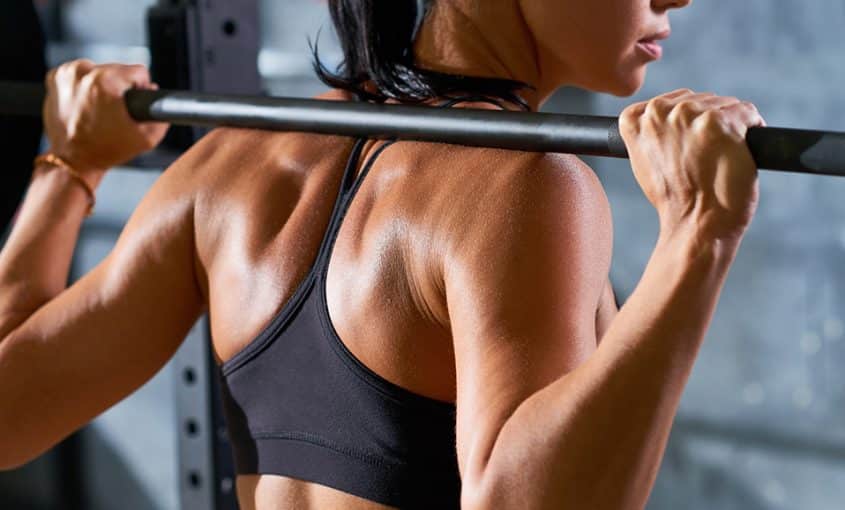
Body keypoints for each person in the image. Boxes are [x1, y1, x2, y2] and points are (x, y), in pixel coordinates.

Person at [0, 0, 766, 509]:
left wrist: (69, 167)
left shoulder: (229, 163)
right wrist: (698, 234)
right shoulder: (526, 185)